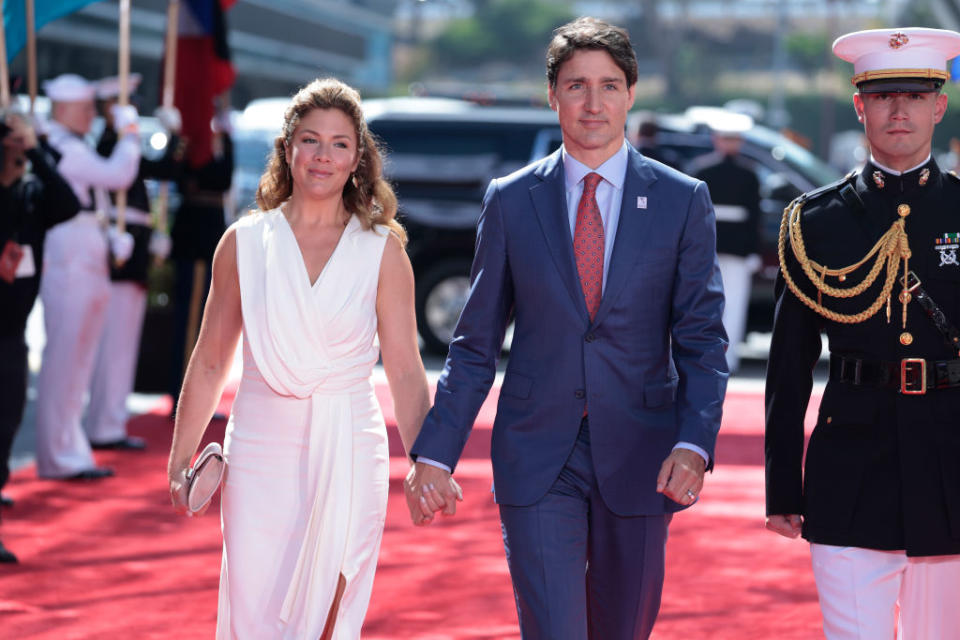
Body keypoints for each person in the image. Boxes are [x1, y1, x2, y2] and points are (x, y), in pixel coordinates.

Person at [406, 17, 728, 639]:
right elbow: (473, 345)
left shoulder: (681, 200)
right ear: (552, 94)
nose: (593, 102)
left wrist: (695, 444)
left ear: (632, 93)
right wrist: (435, 452)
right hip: (536, 452)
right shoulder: (511, 199)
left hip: (644, 452)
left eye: (609, 85)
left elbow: (703, 341)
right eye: (576, 85)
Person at [167, 77, 447, 639]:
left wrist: (426, 460)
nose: (323, 155)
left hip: (348, 445)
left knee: (330, 615)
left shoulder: (382, 249)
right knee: (256, 613)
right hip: (260, 452)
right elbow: (208, 361)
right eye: (311, 140)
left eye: (340, 143)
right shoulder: (244, 243)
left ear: (358, 158)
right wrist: (179, 461)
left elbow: (405, 370)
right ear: (287, 147)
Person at [765, 27, 960, 639]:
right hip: (851, 468)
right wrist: (781, 486)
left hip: (952, 466)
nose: (898, 110)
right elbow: (788, 366)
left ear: (940, 104)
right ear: (859, 105)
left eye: (914, 94)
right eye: (882, 96)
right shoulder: (814, 222)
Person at [34, 73, 140, 480]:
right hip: (68, 262)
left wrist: (109, 238)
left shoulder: (71, 144)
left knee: (79, 363)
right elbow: (117, 175)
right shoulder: (62, 147)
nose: (91, 116)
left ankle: (69, 450)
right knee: (65, 360)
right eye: (85, 109)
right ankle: (57, 455)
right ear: (63, 111)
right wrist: (131, 132)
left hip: (85, 254)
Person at [83, 74, 183, 450]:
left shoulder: (123, 142)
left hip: (135, 247)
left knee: (122, 343)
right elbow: (119, 177)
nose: (132, 110)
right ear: (110, 109)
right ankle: (103, 425)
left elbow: (162, 171)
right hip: (118, 251)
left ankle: (110, 421)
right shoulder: (110, 143)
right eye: (123, 104)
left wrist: (174, 137)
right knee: (112, 343)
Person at [0, 112, 81, 563]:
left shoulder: (33, 194)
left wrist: (34, 149)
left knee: (4, 427)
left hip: (10, 336)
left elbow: (68, 202)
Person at [167, 107, 233, 413]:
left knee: (206, 323)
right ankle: (185, 394)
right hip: (196, 241)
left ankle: (196, 394)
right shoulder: (192, 147)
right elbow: (215, 177)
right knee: (192, 321)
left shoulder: (209, 146)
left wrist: (226, 140)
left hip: (206, 241)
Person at [689, 116, 762, 373]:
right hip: (721, 248)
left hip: (722, 248)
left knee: (729, 305)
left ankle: (722, 358)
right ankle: (716, 357)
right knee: (719, 305)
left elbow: (754, 216)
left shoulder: (701, 169)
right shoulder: (747, 173)